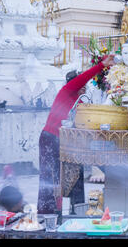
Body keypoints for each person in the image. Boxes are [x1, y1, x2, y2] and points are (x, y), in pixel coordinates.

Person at [37, 55, 115, 214]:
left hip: (70, 143)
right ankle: (48, 213)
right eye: (81, 85)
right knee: (51, 178)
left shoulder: (80, 102)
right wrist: (101, 65)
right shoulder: (66, 91)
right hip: (51, 139)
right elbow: (84, 77)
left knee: (76, 175)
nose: (84, 87)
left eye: (85, 86)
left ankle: (76, 211)